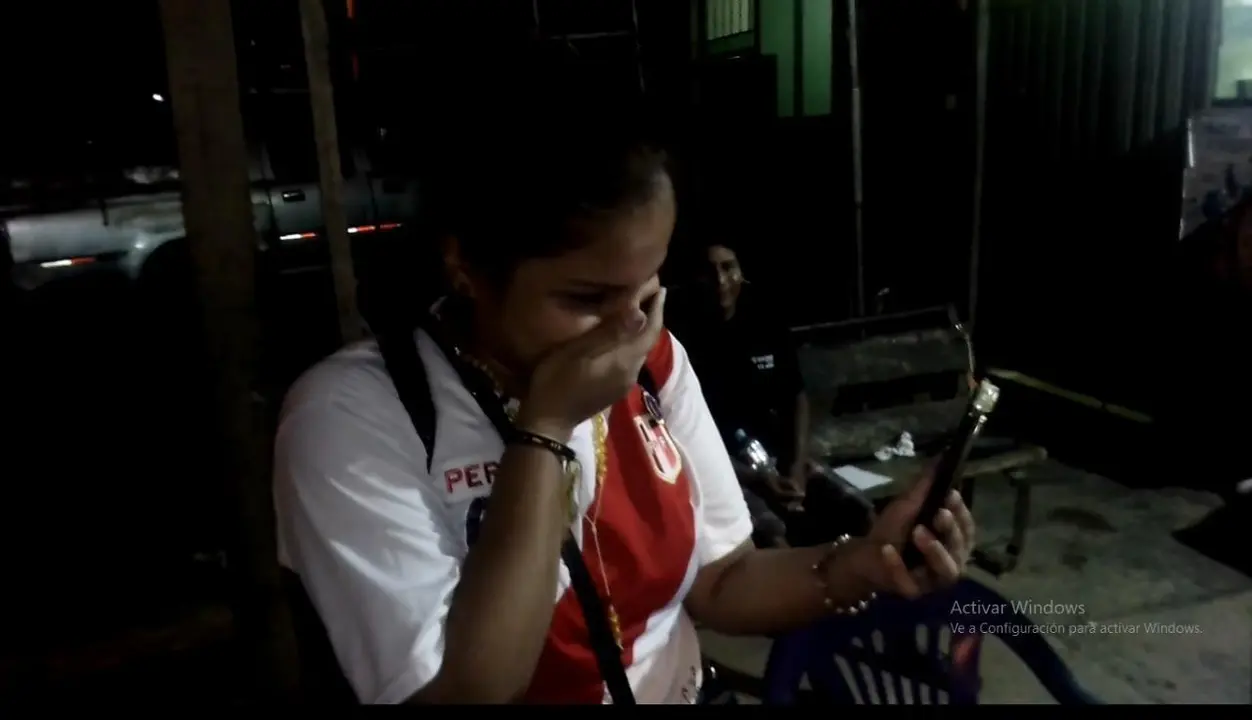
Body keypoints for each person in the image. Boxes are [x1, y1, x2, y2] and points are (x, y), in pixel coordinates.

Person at [272, 49, 975, 705]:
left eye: (646, 289)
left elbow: (722, 580)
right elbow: (467, 690)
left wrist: (866, 561)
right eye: (585, 300)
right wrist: (543, 430)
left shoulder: (656, 362)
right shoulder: (354, 419)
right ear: (467, 268)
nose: (629, 328)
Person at [670, 239, 855, 548]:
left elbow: (796, 396)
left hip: (776, 460)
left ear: (742, 271)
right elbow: (684, 439)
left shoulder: (765, 320)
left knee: (857, 511)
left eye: (728, 267)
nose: (720, 280)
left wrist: (795, 467)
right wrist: (758, 479)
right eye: (708, 271)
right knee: (773, 533)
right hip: (722, 471)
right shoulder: (680, 338)